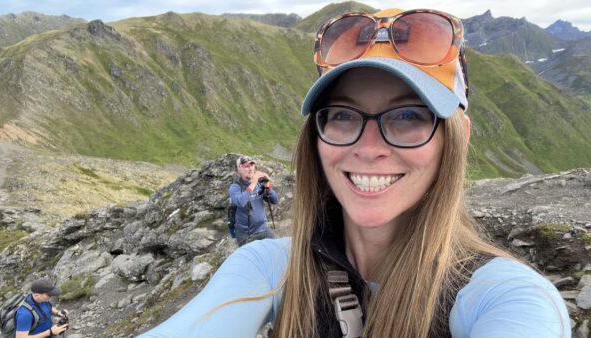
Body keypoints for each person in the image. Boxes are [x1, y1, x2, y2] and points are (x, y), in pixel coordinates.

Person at [138, 7, 570, 338]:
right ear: (317, 135)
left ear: (459, 136)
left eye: (407, 116)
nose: (367, 148)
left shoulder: (506, 296)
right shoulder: (268, 266)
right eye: (343, 116)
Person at [229, 155, 279, 246]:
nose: (250, 169)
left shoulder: (259, 184)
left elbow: (275, 200)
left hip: (263, 229)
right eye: (246, 166)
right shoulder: (235, 187)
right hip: (245, 234)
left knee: (277, 249)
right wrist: (253, 183)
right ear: (239, 169)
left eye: (252, 165)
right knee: (248, 258)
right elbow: (240, 202)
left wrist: (268, 186)